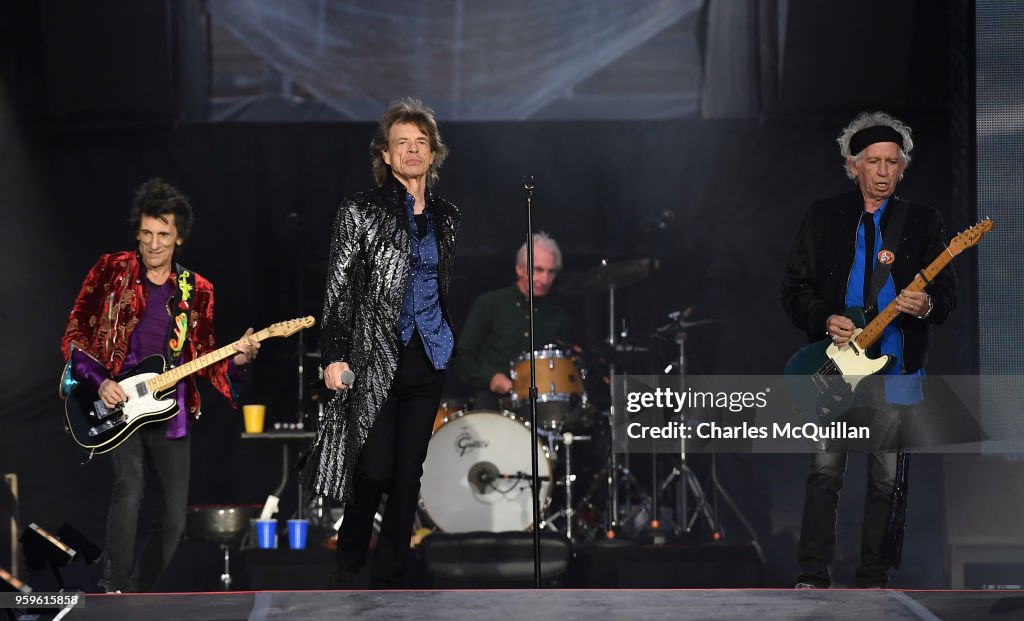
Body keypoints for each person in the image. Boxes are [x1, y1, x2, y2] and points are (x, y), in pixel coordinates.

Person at [781, 111, 956, 589]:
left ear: (903, 168)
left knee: (885, 479)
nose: (882, 171)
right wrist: (824, 318)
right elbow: (794, 291)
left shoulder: (923, 222)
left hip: (895, 368)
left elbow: (948, 299)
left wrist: (925, 305)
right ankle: (813, 575)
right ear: (853, 165)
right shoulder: (823, 217)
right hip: (837, 363)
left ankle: (873, 579)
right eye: (873, 161)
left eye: (892, 162)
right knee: (824, 472)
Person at [60, 178, 259, 593]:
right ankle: (113, 587)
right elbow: (75, 332)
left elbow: (204, 354)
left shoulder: (196, 291)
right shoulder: (111, 268)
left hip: (171, 406)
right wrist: (99, 381)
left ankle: (136, 594)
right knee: (129, 485)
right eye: (147, 233)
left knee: (173, 520)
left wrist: (237, 359)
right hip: (116, 401)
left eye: (163, 235)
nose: (153, 244)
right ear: (138, 231)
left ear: (179, 237)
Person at [306, 97, 460, 588]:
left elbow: (442, 282)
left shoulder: (447, 216)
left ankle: (390, 575)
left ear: (433, 153)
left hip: (428, 354)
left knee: (406, 474)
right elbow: (338, 289)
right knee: (373, 471)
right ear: (386, 155)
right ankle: (350, 559)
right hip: (375, 357)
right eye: (402, 143)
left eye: (421, 143)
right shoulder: (360, 211)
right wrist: (334, 354)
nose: (412, 151)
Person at [455, 232, 570, 410]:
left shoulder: (557, 316)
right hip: (493, 400)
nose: (545, 279)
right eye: (538, 270)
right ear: (520, 269)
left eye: (551, 272)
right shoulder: (489, 303)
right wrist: (490, 377)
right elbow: (463, 355)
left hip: (540, 403)